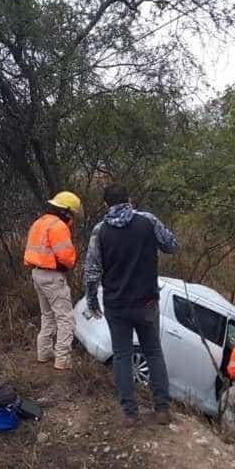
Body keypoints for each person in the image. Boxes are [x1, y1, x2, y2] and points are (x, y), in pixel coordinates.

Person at [84, 183, 178, 427]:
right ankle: (162, 409)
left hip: (116, 304)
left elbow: (92, 271)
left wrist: (93, 301)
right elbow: (171, 245)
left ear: (106, 204)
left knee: (123, 356)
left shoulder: (99, 231)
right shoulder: (147, 221)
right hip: (146, 302)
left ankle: (130, 414)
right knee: (154, 352)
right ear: (129, 199)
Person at [24, 191, 82, 370]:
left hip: (37, 273)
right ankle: (63, 359)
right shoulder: (58, 226)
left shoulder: (39, 222)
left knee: (47, 315)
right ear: (65, 211)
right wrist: (71, 262)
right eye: (71, 213)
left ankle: (44, 352)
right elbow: (66, 257)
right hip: (52, 276)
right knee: (65, 318)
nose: (72, 217)